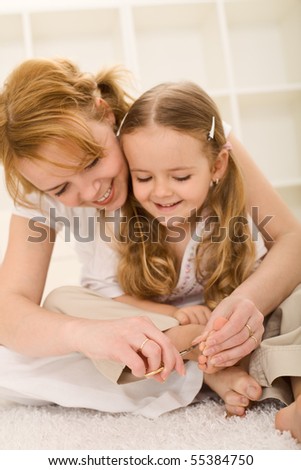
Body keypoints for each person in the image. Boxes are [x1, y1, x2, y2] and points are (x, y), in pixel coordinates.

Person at [0, 58, 300, 424]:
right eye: (61, 188)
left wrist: (242, 305)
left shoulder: (182, 134)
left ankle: (215, 362)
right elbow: (9, 309)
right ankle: (204, 358)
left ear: (105, 113)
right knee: (44, 323)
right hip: (151, 324)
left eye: (93, 161)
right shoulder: (38, 185)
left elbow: (290, 238)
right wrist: (86, 335)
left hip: (231, 307)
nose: (92, 191)